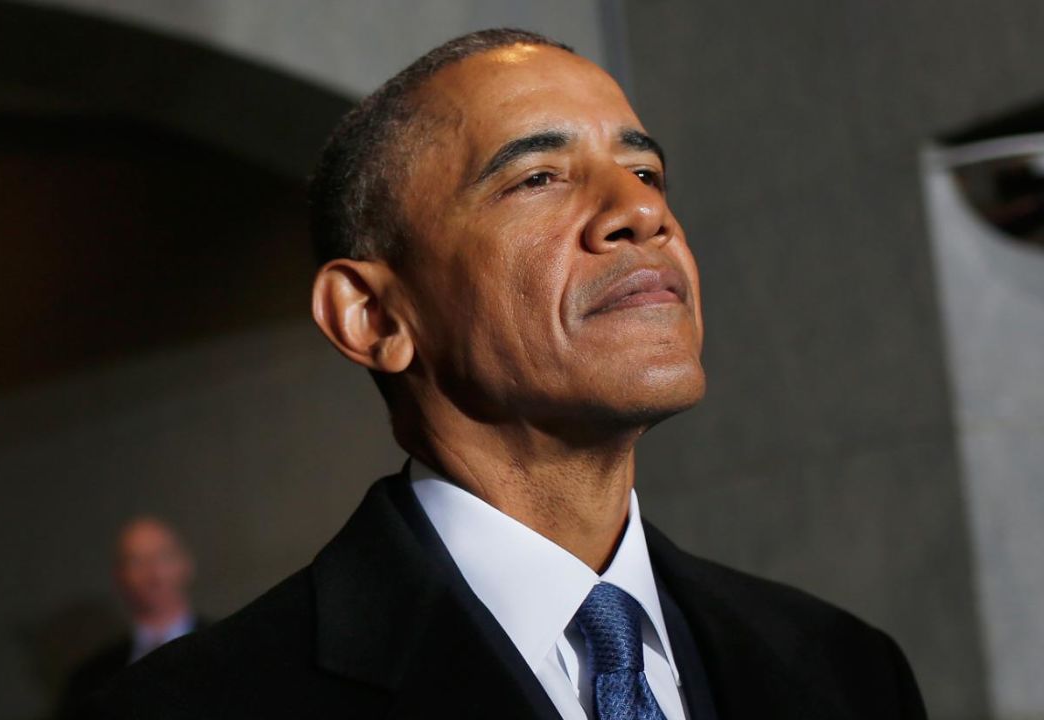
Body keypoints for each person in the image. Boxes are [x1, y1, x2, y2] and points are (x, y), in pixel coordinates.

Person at [89, 28, 927, 720]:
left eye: (645, 173)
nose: (644, 212)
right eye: (538, 178)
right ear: (373, 318)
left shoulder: (846, 671)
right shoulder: (193, 707)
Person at [60, 518, 202, 716]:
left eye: (163, 557)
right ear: (119, 576)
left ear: (186, 564)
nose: (154, 574)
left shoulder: (228, 647)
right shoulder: (92, 678)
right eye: (136, 561)